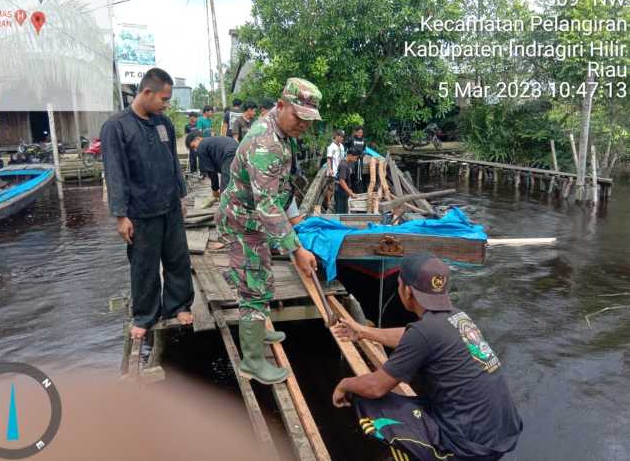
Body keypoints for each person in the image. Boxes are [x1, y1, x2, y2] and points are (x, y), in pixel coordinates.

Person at [332, 252, 522, 461]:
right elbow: (410, 335)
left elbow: (375, 388)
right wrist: (363, 332)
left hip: (470, 448)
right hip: (501, 434)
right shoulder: (457, 317)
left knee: (367, 401)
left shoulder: (425, 332)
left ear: (406, 290)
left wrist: (344, 384)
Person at [216, 77, 320, 385]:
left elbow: (277, 191)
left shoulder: (279, 129)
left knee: (261, 273)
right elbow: (267, 205)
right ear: (281, 105)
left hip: (253, 221)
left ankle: (259, 329)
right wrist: (296, 249)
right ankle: (252, 361)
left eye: (308, 119)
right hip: (242, 222)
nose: (303, 124)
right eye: (298, 116)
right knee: (253, 286)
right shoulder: (266, 144)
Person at [101, 67, 196, 341]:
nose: (166, 105)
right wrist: (121, 216)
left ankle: (178, 304)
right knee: (144, 264)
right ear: (147, 92)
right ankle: (145, 315)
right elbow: (114, 172)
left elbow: (172, 162)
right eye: (164, 99)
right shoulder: (116, 127)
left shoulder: (163, 124)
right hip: (140, 212)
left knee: (178, 258)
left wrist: (181, 196)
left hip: (169, 206)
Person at [186, 130, 238, 199]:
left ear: (197, 139)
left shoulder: (201, 146)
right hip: (239, 150)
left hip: (229, 155)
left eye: (193, 146)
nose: (195, 150)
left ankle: (226, 206)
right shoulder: (211, 141)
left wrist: (215, 189)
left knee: (225, 188)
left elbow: (211, 172)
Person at [334, 148, 360, 214]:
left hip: (343, 190)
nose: (355, 160)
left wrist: (349, 190)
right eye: (355, 158)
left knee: (344, 211)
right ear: (350, 155)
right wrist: (350, 193)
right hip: (341, 191)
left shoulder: (345, 163)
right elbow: (342, 181)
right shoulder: (344, 165)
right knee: (341, 213)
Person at [325, 130, 345, 210]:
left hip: (340, 169)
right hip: (333, 170)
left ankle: (336, 201)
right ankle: (329, 202)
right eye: (339, 136)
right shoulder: (331, 146)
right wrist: (330, 169)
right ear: (336, 136)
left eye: (342, 137)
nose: (341, 138)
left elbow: (343, 158)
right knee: (331, 187)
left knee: (338, 186)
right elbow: (329, 159)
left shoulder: (342, 146)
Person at [346, 126, 366, 193]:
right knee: (350, 173)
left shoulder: (363, 140)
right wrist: (351, 151)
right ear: (356, 132)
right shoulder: (351, 139)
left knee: (359, 175)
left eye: (362, 132)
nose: (360, 134)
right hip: (352, 159)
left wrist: (363, 154)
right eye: (359, 132)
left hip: (360, 160)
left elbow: (364, 149)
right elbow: (347, 147)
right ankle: (349, 189)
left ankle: (358, 191)